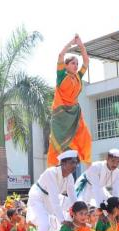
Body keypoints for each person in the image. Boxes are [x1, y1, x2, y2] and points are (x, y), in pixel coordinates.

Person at [47, 35, 92, 166]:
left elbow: (86, 61)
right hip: (61, 116)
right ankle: (52, 172)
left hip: (75, 113)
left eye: (77, 64)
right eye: (73, 63)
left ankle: (89, 168)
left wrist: (81, 45)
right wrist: (71, 43)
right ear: (65, 65)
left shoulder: (78, 77)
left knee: (85, 137)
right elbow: (60, 55)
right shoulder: (61, 76)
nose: (76, 66)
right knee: (56, 145)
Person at [27, 150, 78, 231]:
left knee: (77, 204)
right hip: (38, 196)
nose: (74, 165)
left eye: (75, 162)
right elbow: (54, 199)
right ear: (63, 164)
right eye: (72, 162)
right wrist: (62, 220)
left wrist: (79, 214)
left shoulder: (70, 177)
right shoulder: (51, 172)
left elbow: (73, 198)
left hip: (50, 199)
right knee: (45, 224)